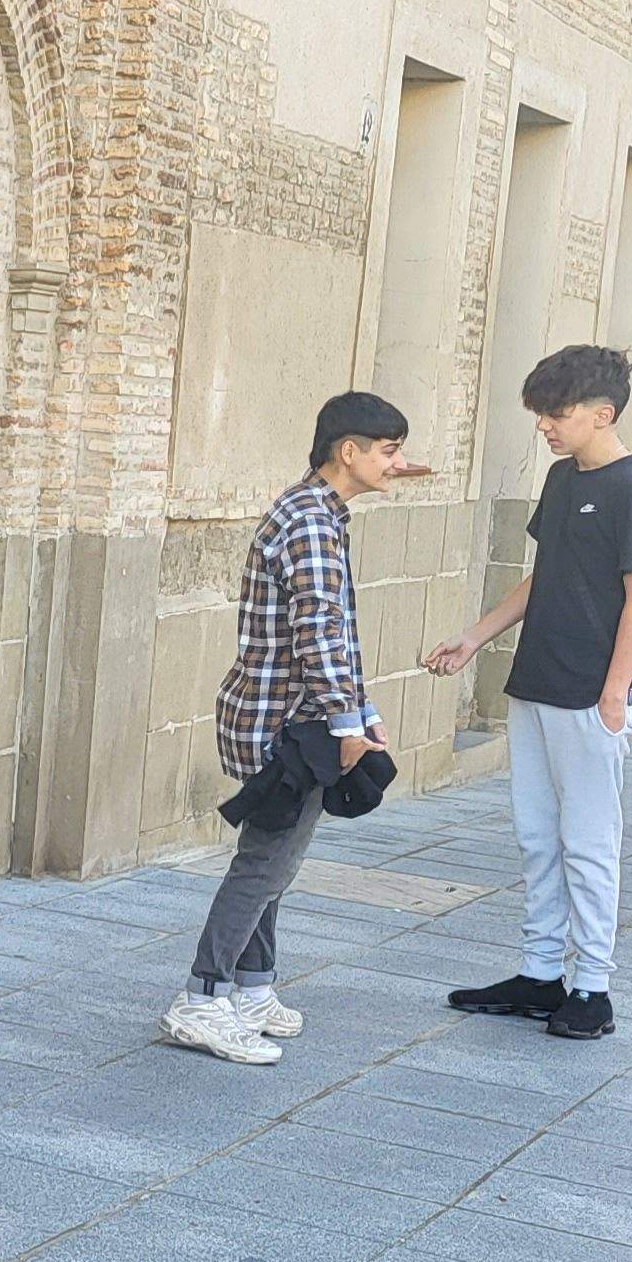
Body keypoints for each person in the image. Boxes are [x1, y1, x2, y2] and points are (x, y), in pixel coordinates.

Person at [167, 393, 412, 1067]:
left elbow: (337, 630)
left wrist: (360, 712)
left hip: (295, 718)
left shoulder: (317, 512)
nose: (397, 464)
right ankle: (201, 996)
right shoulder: (309, 521)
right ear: (349, 451)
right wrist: (346, 724)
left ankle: (249, 989)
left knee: (275, 860)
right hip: (289, 724)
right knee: (267, 862)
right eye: (388, 451)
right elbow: (318, 634)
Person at [425, 345, 632, 1043]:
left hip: (591, 692)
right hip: (535, 680)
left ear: (601, 413)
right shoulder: (562, 480)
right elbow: (545, 573)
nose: (546, 427)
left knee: (589, 841)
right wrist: (475, 636)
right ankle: (538, 974)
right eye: (541, 415)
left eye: (556, 415)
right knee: (536, 836)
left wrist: (614, 690)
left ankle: (592, 987)